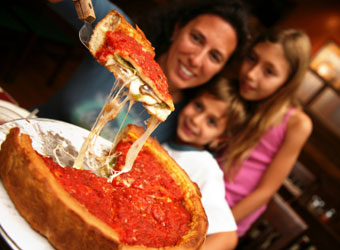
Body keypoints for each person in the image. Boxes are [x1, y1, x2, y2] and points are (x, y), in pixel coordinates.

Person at [36, 0, 249, 142]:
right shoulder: (122, 39)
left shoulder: (190, 119)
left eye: (214, 57)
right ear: (177, 29)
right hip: (28, 130)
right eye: (196, 38)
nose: (196, 59)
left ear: (220, 69)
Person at [217, 28, 313, 237]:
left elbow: (266, 191)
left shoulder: (297, 123)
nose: (251, 74)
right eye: (252, 59)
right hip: (203, 187)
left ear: (288, 82)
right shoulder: (239, 94)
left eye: (269, 72)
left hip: (228, 214)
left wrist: (218, 225)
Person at [162, 76, 246, 250]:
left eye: (211, 122)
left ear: (220, 139)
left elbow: (226, 237)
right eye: (198, 106)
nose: (196, 120)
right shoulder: (165, 142)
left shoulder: (205, 167)